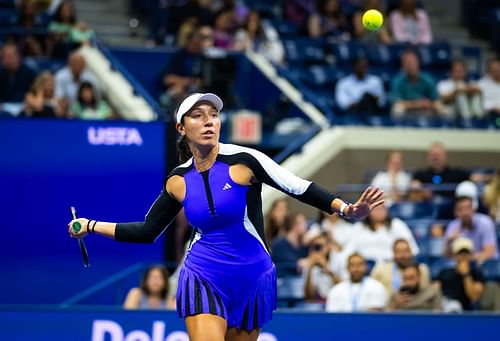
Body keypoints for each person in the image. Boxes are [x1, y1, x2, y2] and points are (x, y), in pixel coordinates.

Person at [68, 92, 384, 340]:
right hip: (204, 274)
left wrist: (345, 209)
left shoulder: (245, 160)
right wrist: (91, 225)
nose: (209, 121)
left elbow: (298, 187)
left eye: (214, 115)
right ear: (182, 127)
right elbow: (148, 231)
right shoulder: (177, 180)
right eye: (198, 115)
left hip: (254, 277)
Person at [342, 204, 419, 263]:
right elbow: (348, 252)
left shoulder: (397, 225)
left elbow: (413, 249)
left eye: (382, 209)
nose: (379, 212)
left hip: (391, 266)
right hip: (364, 267)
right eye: (375, 209)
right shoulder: (358, 228)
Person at [435, 237, 485, 312]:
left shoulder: (476, 274)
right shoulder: (445, 272)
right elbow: (435, 290)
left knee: (455, 305)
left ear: (471, 255)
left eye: (466, 253)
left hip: (464, 312)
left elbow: (474, 296)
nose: (463, 256)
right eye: (460, 253)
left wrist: (466, 275)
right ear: (454, 255)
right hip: (443, 306)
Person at [444, 196, 499, 262]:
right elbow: (447, 256)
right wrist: (449, 242)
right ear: (455, 212)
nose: (465, 213)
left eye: (467, 208)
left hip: (488, 265)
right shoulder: (452, 226)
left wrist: (466, 258)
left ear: (473, 209)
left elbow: (489, 253)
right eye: (460, 209)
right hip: (464, 265)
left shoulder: (485, 223)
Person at [390, 50, 440, 118]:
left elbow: (435, 100)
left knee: (440, 106)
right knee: (397, 108)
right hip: (407, 110)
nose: (410, 66)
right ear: (403, 66)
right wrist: (418, 104)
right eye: (407, 63)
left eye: (412, 63)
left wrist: (429, 104)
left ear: (418, 63)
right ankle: (399, 127)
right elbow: (397, 102)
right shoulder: (397, 80)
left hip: (426, 110)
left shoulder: (428, 79)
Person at [303, 230, 339, 301]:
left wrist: (328, 270)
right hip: (316, 304)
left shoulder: (336, 260)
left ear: (328, 247)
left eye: (320, 246)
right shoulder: (309, 265)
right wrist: (310, 269)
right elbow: (308, 296)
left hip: (335, 302)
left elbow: (344, 288)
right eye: (315, 247)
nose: (318, 249)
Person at [271, 212, 309, 277]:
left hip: (299, 281)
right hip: (283, 281)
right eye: (303, 223)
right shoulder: (279, 244)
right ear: (294, 226)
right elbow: (296, 265)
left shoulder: (304, 243)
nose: (306, 225)